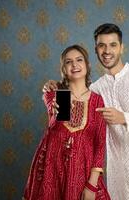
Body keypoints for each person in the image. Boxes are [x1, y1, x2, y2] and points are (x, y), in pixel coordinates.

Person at [43, 23, 129, 200]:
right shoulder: (96, 89)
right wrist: (55, 88)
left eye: (113, 45)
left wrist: (124, 118)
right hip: (117, 177)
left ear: (122, 47)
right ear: (95, 50)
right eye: (101, 45)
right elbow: (73, 102)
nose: (107, 51)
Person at [23, 44, 111, 200]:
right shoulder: (56, 93)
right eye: (68, 62)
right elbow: (54, 123)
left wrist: (91, 185)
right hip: (52, 169)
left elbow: (100, 143)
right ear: (63, 69)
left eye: (79, 60)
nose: (74, 65)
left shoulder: (97, 100)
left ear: (87, 65)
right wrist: (56, 109)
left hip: (82, 172)